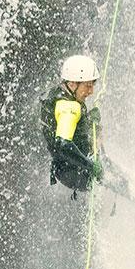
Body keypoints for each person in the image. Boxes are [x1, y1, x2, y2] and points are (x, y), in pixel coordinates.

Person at [40, 54, 106, 195]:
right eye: (87, 86)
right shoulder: (69, 108)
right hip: (77, 172)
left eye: (93, 85)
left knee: (112, 170)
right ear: (72, 84)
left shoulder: (58, 95)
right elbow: (63, 144)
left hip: (65, 168)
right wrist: (91, 166)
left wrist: (90, 120)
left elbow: (72, 130)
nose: (91, 91)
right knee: (115, 178)